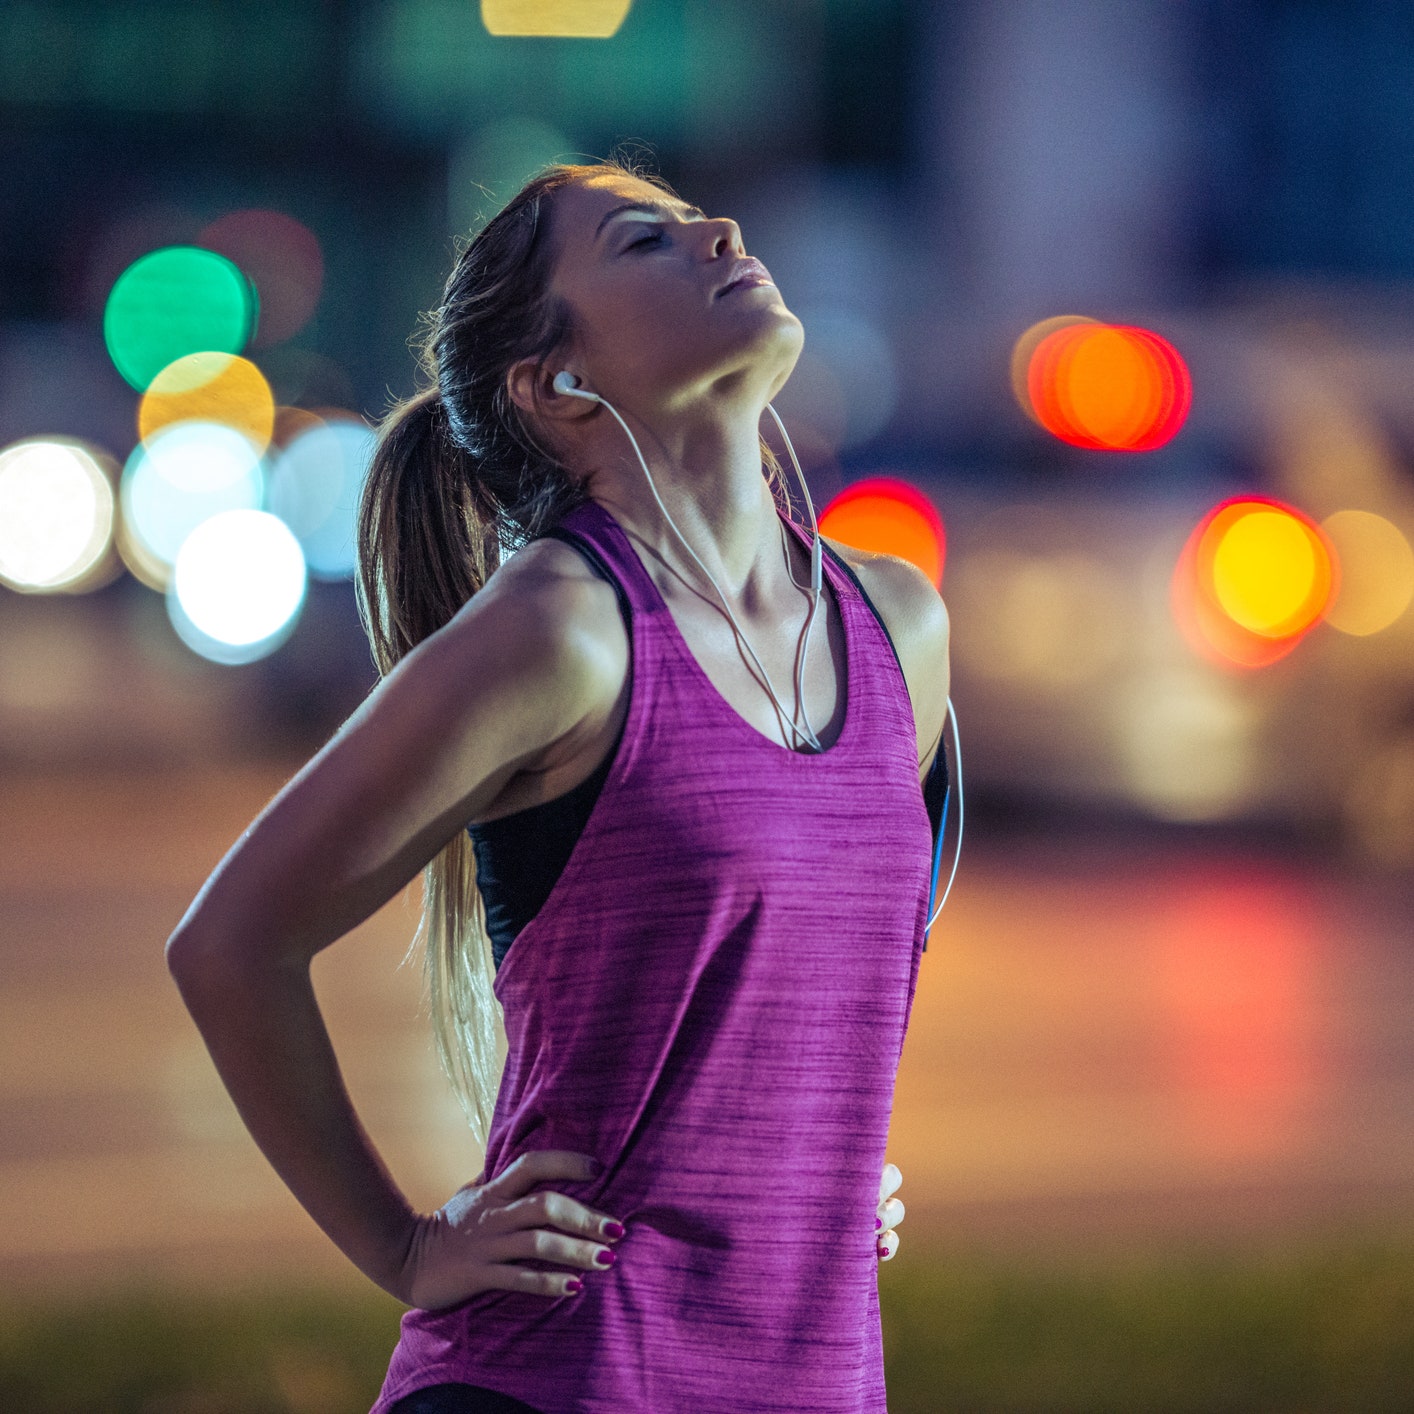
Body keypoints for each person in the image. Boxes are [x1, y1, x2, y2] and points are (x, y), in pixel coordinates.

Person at [165, 154, 951, 1413]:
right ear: (557, 382)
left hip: (815, 1376)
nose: (719, 232)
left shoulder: (897, 623)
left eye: (697, 221)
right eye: (646, 242)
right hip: (564, 1374)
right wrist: (406, 1248)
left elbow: (816, 985)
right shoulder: (561, 631)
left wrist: (819, 1152)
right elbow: (230, 945)